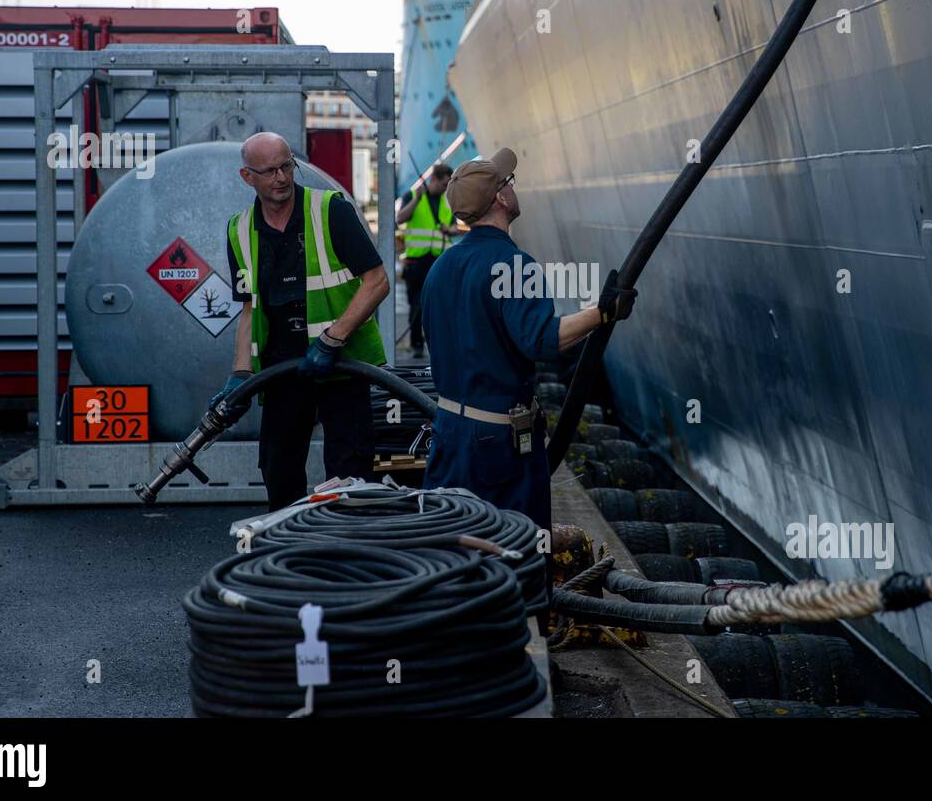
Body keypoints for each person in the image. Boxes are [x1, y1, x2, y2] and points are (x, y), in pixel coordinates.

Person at [420, 147, 636, 528]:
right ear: (501, 198)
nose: (513, 188)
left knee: (454, 544)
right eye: (509, 182)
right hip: (498, 446)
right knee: (518, 552)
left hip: (448, 434)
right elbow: (542, 340)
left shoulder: (440, 268)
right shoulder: (513, 264)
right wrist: (602, 313)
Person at [208, 131, 390, 512]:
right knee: (279, 469)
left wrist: (331, 340)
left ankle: (351, 553)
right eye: (270, 170)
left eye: (287, 166)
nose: (281, 178)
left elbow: (377, 282)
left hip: (342, 364)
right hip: (281, 371)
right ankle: (290, 553)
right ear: (247, 177)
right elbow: (248, 308)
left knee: (350, 474)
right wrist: (241, 374)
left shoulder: (331, 211)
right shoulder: (239, 231)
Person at [396, 163, 455, 359]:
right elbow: (400, 218)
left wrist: (449, 229)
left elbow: (455, 227)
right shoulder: (413, 196)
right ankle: (417, 345)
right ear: (434, 179)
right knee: (416, 304)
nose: (445, 189)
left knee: (438, 304)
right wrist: (417, 200)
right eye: (443, 184)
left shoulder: (446, 202)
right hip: (416, 261)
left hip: (438, 260)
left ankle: (437, 344)